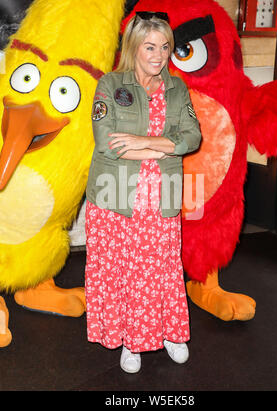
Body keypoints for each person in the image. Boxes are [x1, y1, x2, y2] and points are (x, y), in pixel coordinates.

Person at [85, 11, 202, 374]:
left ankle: (169, 333)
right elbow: (107, 143)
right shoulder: (109, 84)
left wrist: (142, 141)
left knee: (162, 269)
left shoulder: (177, 87)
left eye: (165, 47)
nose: (159, 55)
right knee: (122, 271)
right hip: (115, 199)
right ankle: (128, 341)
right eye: (150, 46)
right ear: (133, 47)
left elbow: (193, 137)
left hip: (161, 198)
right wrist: (166, 146)